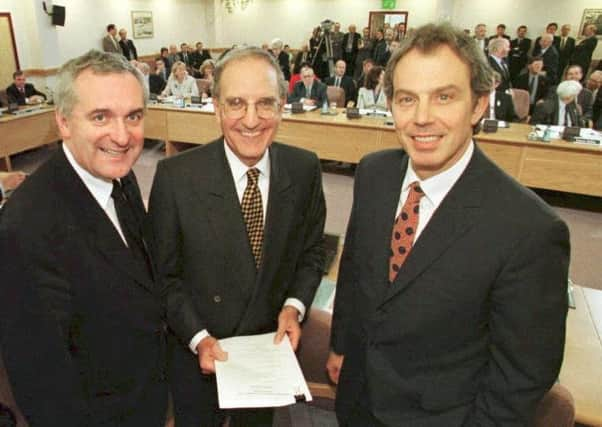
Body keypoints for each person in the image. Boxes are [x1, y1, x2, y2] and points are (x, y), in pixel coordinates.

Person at [327, 23, 570, 427]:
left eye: (444, 97)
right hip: (357, 401)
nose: (422, 118)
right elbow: (355, 271)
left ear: (478, 105)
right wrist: (340, 346)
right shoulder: (374, 173)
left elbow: (521, 377)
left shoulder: (531, 230)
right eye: (407, 99)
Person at [148, 46, 326, 427]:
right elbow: (164, 277)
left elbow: (312, 253)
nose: (251, 119)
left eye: (265, 104)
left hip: (266, 356)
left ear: (282, 106)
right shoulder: (175, 177)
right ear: (216, 108)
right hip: (197, 353)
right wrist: (199, 338)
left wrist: (294, 307)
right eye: (236, 103)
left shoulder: (305, 168)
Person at [0, 49, 167, 426]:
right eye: (100, 117)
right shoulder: (25, 228)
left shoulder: (118, 174)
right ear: (63, 122)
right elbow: (43, 384)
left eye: (133, 116)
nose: (122, 136)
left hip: (144, 397)